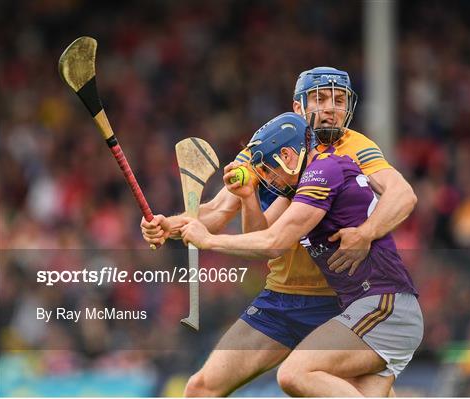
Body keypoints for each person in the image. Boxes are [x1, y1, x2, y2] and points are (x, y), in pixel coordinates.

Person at [141, 67, 417, 396]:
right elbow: (220, 212)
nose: (331, 107)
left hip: (343, 301)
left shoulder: (355, 149)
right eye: (320, 98)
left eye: (339, 99)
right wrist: (170, 225)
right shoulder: (271, 145)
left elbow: (402, 194)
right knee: (200, 388)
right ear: (297, 108)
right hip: (284, 298)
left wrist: (366, 233)